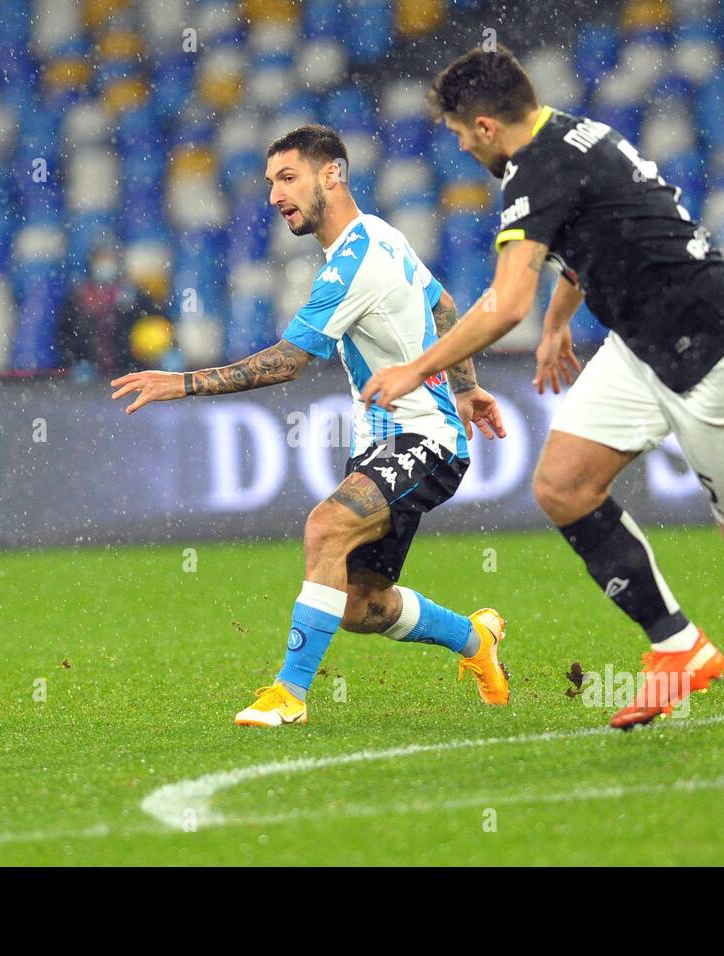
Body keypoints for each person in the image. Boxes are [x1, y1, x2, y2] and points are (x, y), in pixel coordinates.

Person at [361, 47, 724, 730]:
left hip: (721, 353)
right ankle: (678, 647)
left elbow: (503, 303)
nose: (463, 145)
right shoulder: (574, 134)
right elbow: (594, 245)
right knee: (562, 485)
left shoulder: (539, 170)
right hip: (645, 347)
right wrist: (559, 324)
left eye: (461, 132)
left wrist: (416, 369)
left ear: (487, 126)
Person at [111, 124, 510, 727]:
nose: (274, 195)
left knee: (325, 527)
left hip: (425, 439)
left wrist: (181, 382)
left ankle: (289, 694)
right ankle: (475, 640)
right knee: (361, 606)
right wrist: (469, 386)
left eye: (288, 178)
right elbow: (442, 304)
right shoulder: (381, 234)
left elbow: (288, 361)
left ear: (333, 175)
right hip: (383, 441)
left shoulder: (355, 259)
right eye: (271, 182)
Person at [59, 240, 168, 377]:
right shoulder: (80, 295)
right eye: (101, 259)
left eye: (109, 259)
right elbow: (65, 332)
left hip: (129, 367)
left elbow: (157, 319)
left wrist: (165, 351)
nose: (105, 264)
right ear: (92, 263)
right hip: (90, 370)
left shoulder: (130, 292)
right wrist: (76, 360)